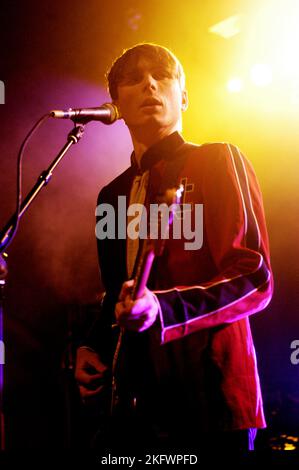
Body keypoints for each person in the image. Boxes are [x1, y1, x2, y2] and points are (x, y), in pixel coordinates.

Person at [74, 43, 273, 455]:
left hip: (210, 405)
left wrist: (163, 310)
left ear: (183, 96)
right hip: (131, 412)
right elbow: (116, 293)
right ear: (115, 105)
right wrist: (89, 347)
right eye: (133, 79)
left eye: (161, 75)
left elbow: (255, 278)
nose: (149, 82)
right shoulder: (110, 195)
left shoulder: (219, 159)